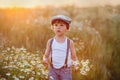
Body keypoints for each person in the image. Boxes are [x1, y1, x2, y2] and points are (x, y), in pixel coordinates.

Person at [42, 14, 79, 80]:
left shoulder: (69, 42)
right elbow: (46, 55)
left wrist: (76, 65)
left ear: (67, 28)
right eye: (56, 25)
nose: (58, 27)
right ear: (53, 28)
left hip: (66, 71)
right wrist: (44, 59)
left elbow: (74, 57)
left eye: (61, 25)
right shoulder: (50, 42)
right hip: (52, 70)